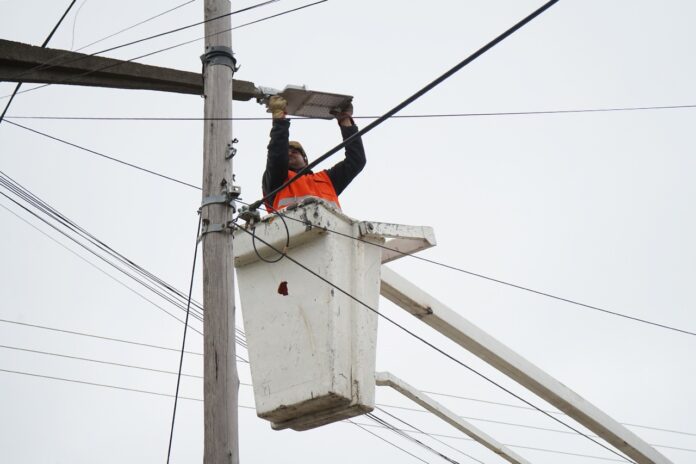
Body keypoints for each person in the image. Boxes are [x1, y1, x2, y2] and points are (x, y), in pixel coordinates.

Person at [262, 95, 366, 212]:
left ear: (305, 159)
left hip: (328, 224)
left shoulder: (327, 179)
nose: (290, 153)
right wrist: (279, 118)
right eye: (286, 152)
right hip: (290, 224)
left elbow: (356, 161)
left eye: (295, 151)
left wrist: (345, 120)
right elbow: (277, 155)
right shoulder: (276, 180)